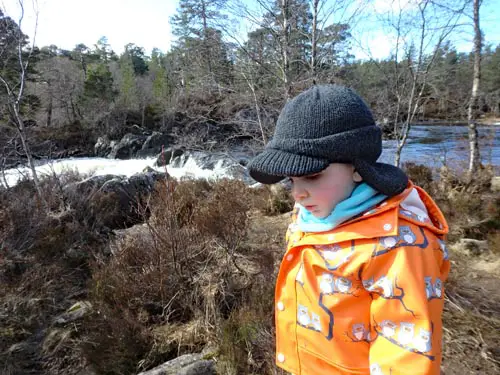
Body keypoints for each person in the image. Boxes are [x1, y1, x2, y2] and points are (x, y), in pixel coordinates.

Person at [247, 85, 450, 375]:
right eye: (291, 180)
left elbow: (406, 358)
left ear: (358, 167)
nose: (298, 193)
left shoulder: (400, 246)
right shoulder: (311, 215)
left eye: (312, 176)